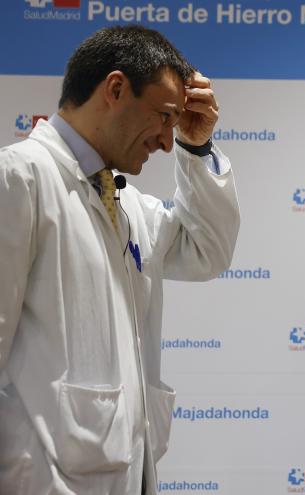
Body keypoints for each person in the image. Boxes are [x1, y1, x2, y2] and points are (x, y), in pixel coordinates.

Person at [0, 26, 240, 495]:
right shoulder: (19, 178)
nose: (167, 142)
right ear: (115, 88)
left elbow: (207, 251)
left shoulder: (127, 207)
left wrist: (198, 148)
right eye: (165, 117)